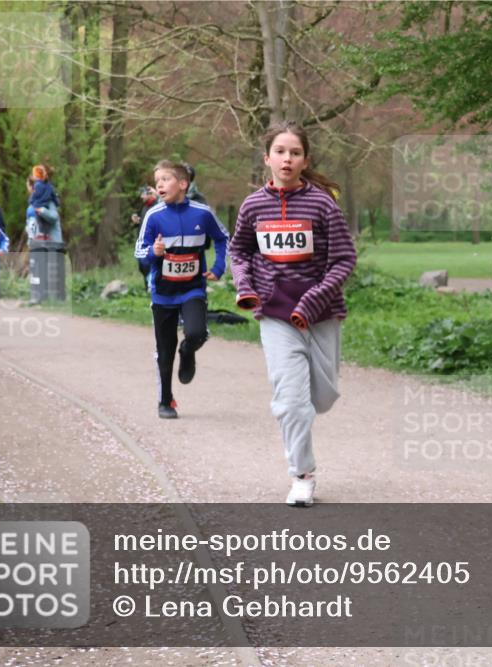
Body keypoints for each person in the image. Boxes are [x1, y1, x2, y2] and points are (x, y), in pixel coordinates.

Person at [229, 121, 357, 508]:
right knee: (290, 402)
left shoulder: (321, 204)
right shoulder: (253, 206)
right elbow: (240, 252)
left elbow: (343, 260)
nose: (287, 159)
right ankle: (302, 475)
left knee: (323, 397)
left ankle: (304, 419)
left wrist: (312, 301)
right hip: (275, 315)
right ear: (267, 158)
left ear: (305, 160)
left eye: (295, 152)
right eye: (280, 152)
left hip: (321, 315)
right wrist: (246, 286)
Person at [134, 160, 229, 419]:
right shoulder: (153, 216)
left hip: (192, 288)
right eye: (157, 181)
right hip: (163, 292)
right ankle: (165, 400)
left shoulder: (202, 213)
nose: (159, 185)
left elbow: (223, 238)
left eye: (165, 179)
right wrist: (153, 253)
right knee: (164, 349)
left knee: (196, 332)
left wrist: (219, 266)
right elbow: (139, 252)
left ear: (183, 184)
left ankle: (188, 351)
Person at [28, 164, 61, 230]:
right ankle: (44, 231)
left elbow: (34, 196)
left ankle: (40, 231)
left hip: (37, 206)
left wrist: (31, 201)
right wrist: (57, 202)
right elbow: (55, 198)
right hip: (46, 206)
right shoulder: (50, 186)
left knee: (36, 220)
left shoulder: (37, 185)